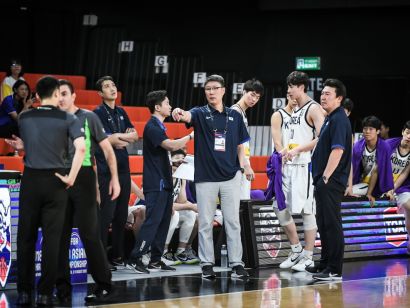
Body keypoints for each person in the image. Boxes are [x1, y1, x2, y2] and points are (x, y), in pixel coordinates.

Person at [9, 76, 85, 306]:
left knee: (26, 238)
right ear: (56, 93)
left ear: (38, 95)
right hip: (57, 181)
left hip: (31, 180)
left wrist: (24, 147)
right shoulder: (68, 118)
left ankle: (24, 292)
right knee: (52, 240)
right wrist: (71, 178)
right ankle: (44, 293)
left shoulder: (25, 116)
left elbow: (33, 142)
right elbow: (81, 148)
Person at [172, 74, 254, 279]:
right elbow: (186, 116)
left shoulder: (234, 116)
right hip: (206, 178)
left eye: (215, 88)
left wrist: (244, 166)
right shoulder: (199, 113)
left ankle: (237, 263)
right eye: (207, 89)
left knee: (233, 221)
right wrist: (178, 112)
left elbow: (240, 145)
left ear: (223, 91)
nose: (211, 92)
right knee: (206, 222)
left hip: (231, 177)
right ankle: (207, 264)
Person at [55, 79, 121, 304]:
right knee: (59, 235)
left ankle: (105, 285)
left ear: (73, 96)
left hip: (83, 178)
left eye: (64, 93)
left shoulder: (88, 117)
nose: (60, 98)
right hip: (58, 179)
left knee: (90, 234)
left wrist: (114, 179)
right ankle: (61, 287)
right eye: (57, 94)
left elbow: (106, 150)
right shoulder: (51, 120)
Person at [127, 90, 194, 274]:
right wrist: (190, 136)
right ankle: (135, 258)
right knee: (153, 221)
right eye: (167, 103)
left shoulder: (160, 127)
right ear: (157, 107)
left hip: (164, 183)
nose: (170, 106)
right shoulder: (152, 126)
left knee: (165, 221)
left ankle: (156, 260)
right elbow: (171, 146)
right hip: (155, 183)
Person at [277, 71, 325, 272]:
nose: (288, 90)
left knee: (307, 210)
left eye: (291, 86)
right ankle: (296, 249)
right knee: (279, 208)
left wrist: (298, 149)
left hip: (304, 166)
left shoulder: (314, 108)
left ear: (301, 87)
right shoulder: (292, 110)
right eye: (288, 86)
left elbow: (323, 137)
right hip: (287, 166)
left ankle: (308, 255)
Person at [93, 76, 138, 269]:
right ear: (100, 93)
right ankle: (101, 258)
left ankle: (118, 255)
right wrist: (119, 138)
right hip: (106, 172)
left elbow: (135, 135)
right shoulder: (97, 113)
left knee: (121, 215)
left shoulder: (121, 111)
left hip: (124, 169)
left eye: (113, 85)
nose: (112, 88)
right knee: (106, 216)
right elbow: (106, 140)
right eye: (106, 86)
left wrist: (119, 137)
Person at [309, 78, 352, 281]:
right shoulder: (330, 118)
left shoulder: (339, 119)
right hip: (323, 180)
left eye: (328, 94)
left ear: (339, 98)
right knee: (323, 223)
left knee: (332, 224)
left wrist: (325, 176)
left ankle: (334, 269)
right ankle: (325, 264)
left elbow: (338, 150)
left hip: (330, 181)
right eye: (322, 93)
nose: (323, 96)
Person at [162, 149, 200, 265]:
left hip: (169, 210)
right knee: (176, 213)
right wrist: (190, 205)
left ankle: (181, 251)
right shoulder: (163, 175)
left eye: (182, 160)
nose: (180, 162)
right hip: (144, 209)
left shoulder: (179, 177)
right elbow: (165, 205)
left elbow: (182, 201)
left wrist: (183, 180)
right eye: (177, 158)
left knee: (191, 214)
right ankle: (163, 252)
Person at [231, 78, 264, 200]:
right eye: (252, 95)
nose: (254, 99)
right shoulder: (235, 112)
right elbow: (235, 142)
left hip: (242, 161)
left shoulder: (242, 113)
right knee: (240, 201)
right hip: (238, 163)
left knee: (243, 200)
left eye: (258, 97)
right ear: (244, 92)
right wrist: (246, 165)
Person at [350, 116, 394, 205]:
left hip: (378, 184)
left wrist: (370, 193)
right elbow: (352, 167)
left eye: (371, 129)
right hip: (362, 182)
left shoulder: (384, 147)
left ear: (378, 131)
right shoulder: (358, 146)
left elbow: (378, 171)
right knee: (346, 191)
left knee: (351, 192)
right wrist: (349, 186)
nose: (367, 131)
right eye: (365, 128)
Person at [385, 121, 410, 253]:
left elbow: (405, 174)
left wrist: (393, 188)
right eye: (408, 132)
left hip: (400, 186)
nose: (409, 136)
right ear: (403, 132)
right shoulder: (389, 145)